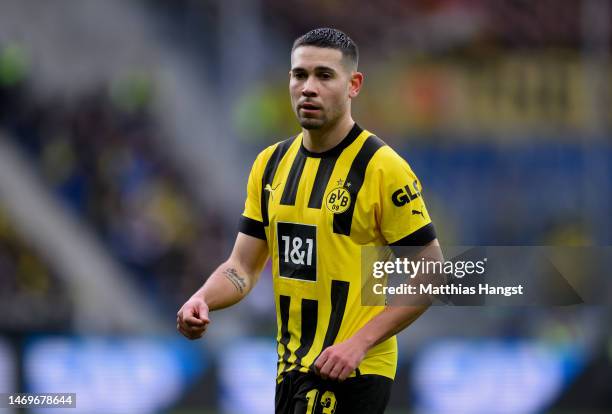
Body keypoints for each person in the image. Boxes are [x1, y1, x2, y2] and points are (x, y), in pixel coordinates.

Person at [177, 27, 442, 414]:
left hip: (352, 371)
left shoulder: (382, 168)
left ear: (353, 85)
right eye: (299, 75)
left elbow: (432, 271)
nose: (308, 87)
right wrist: (202, 298)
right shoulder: (270, 165)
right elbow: (242, 267)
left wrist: (360, 342)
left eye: (324, 75)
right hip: (291, 369)